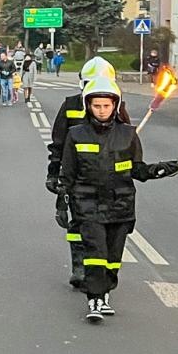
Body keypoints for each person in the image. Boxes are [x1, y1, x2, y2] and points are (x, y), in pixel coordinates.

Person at [56, 75, 178, 321]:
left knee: (113, 259)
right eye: (96, 105)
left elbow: (136, 169)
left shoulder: (128, 134)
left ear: (115, 106)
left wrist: (159, 170)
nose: (102, 110)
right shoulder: (76, 134)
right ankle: (94, 298)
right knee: (95, 252)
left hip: (120, 204)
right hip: (87, 204)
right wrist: (62, 199)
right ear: (88, 106)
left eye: (106, 105)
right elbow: (67, 172)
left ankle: (106, 291)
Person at [45, 57, 128, 290]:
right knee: (78, 222)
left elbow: (127, 142)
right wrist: (54, 174)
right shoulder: (71, 104)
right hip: (76, 177)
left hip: (107, 179)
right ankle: (79, 266)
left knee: (104, 226)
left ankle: (100, 271)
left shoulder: (116, 106)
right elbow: (58, 143)